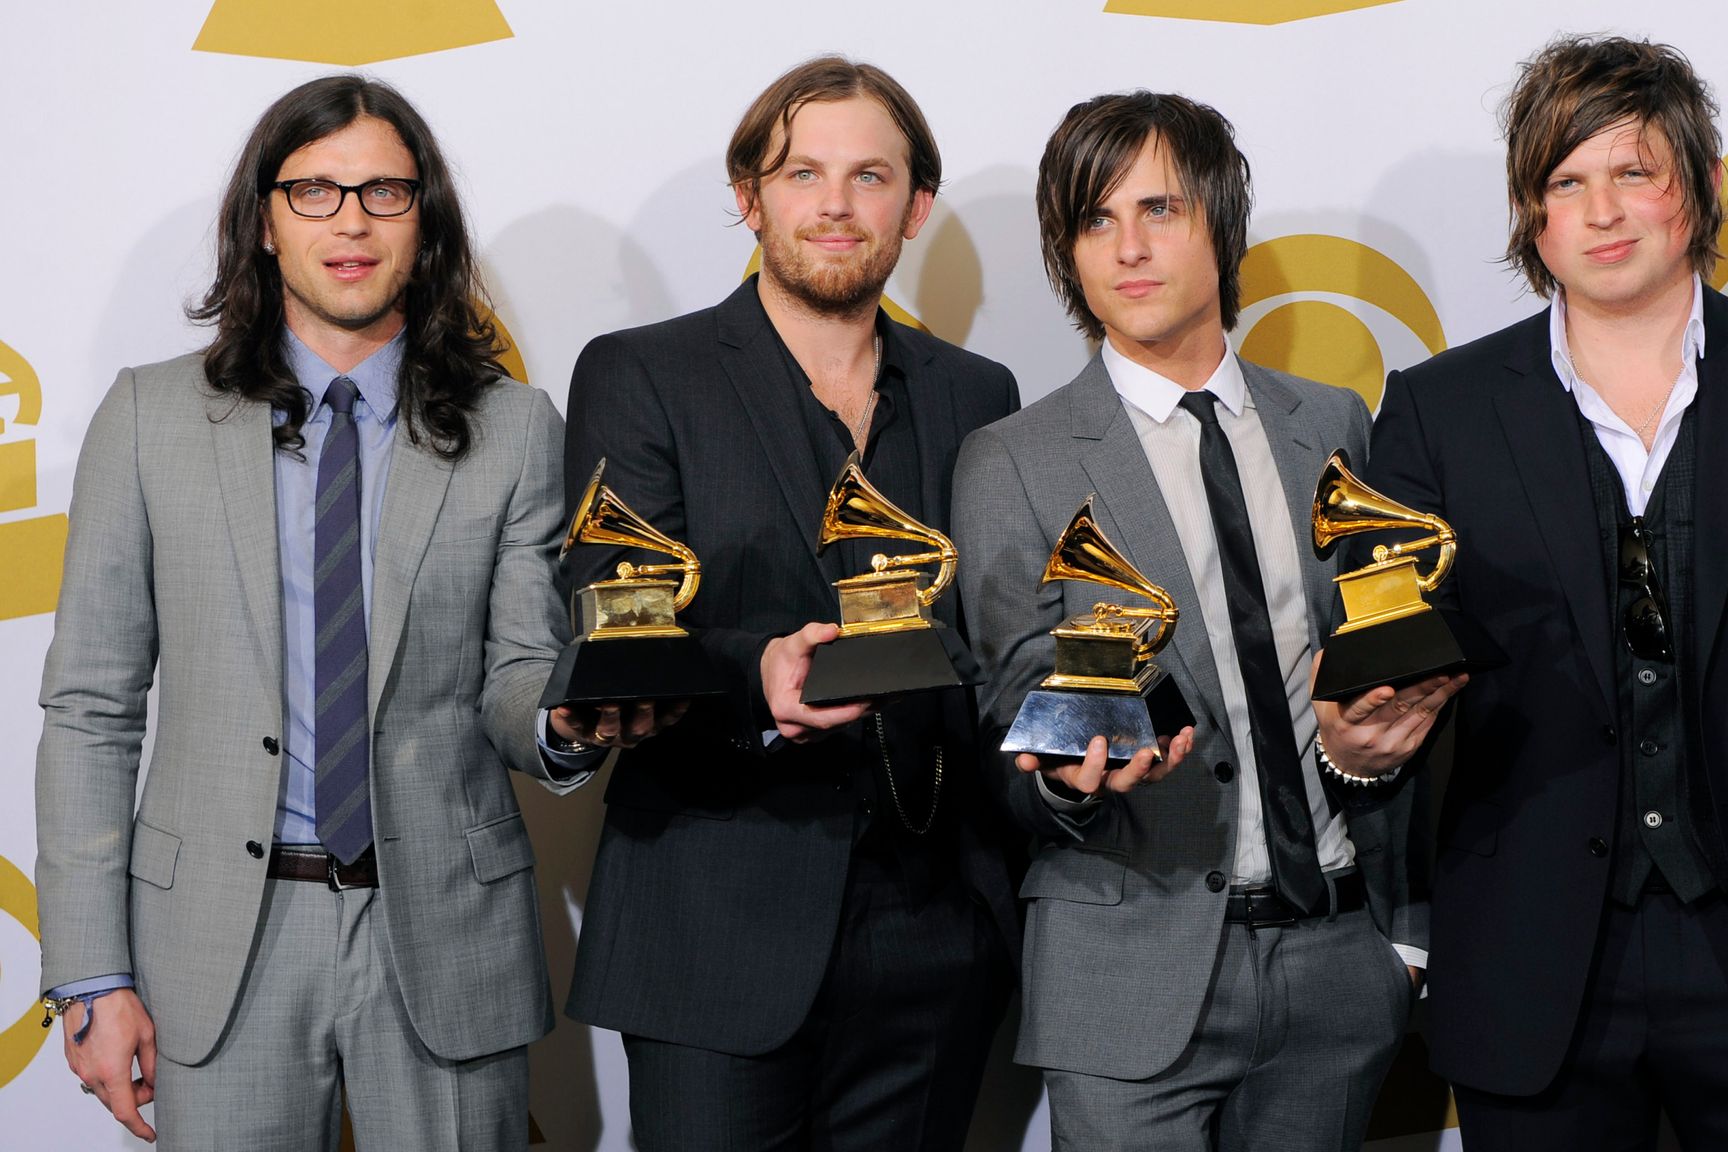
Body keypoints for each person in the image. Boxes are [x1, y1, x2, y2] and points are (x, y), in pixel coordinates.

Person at [1361, 35, 1728, 1149]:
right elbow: (1384, 681)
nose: (1601, 211)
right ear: (1529, 213)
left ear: (1701, 186)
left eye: (1632, 172)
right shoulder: (1434, 414)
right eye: (1564, 182)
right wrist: (1360, 745)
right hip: (1531, 954)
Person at [35, 75, 604, 1148]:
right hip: (218, 945)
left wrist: (566, 721)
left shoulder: (515, 428)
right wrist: (92, 975)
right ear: (264, 220)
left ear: (424, 222)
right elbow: (90, 711)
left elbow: (521, 669)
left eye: (385, 192)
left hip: (442, 926)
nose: (350, 220)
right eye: (315, 191)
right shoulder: (152, 418)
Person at [952, 91, 1455, 1151]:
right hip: (1126, 971)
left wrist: (1394, 944)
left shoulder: (1328, 422)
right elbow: (1009, 696)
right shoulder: (1015, 458)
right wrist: (1067, 778)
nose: (1127, 248)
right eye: (1093, 221)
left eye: (1158, 210)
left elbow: (1367, 668)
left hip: (1334, 963)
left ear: (1220, 227)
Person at [559, 55, 1022, 1151]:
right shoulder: (641, 374)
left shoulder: (977, 393)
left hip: (932, 929)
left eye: (869, 176)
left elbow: (995, 635)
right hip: (711, 924)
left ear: (914, 207)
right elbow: (612, 608)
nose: (832, 204)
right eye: (800, 172)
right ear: (747, 195)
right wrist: (752, 676)